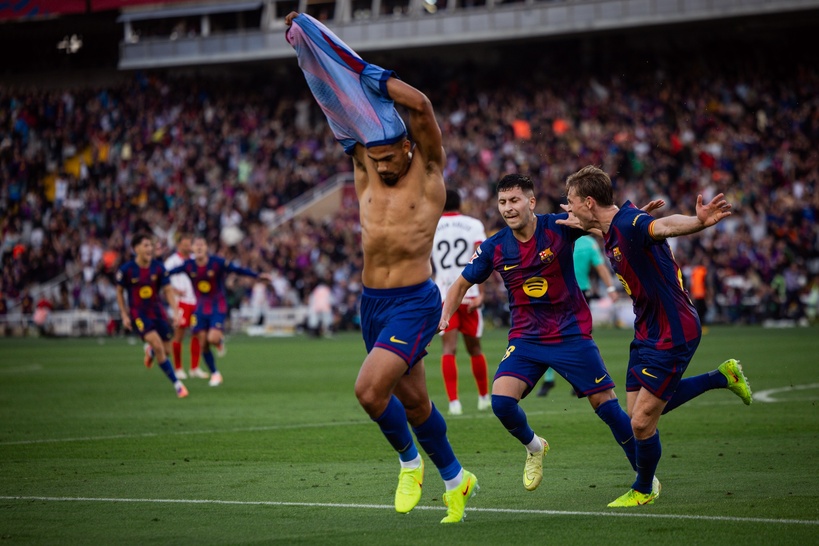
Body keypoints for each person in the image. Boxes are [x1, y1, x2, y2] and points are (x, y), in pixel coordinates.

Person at [286, 11, 478, 524]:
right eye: (375, 157)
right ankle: (458, 479)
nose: (382, 164)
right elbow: (333, 96)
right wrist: (310, 39)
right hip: (372, 304)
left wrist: (372, 74)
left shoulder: (431, 174)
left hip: (415, 302)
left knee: (370, 392)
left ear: (410, 147)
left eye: (391, 156)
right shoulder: (364, 169)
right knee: (415, 404)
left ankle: (410, 463)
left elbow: (422, 106)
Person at [561, 165, 753, 507]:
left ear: (589, 201)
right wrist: (583, 222)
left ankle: (644, 488)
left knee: (640, 423)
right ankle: (721, 377)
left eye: (571, 201)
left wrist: (698, 222)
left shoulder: (630, 224)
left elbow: (663, 225)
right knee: (639, 411)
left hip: (673, 330)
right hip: (647, 328)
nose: (568, 207)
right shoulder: (615, 226)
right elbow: (639, 227)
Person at [440, 173, 642, 497]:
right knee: (502, 403)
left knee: (607, 407)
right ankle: (535, 447)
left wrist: (637, 225)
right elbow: (460, 284)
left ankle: (645, 478)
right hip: (526, 339)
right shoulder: (494, 247)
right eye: (503, 202)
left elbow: (605, 223)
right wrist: (445, 315)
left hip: (571, 334)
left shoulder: (558, 226)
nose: (508, 208)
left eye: (515, 200)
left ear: (531, 202)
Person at [167, 236, 270, 387]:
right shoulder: (188, 265)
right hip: (200, 306)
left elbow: (238, 269)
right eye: (196, 245)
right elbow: (167, 273)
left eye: (202, 244)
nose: (200, 247)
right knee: (203, 343)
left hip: (217, 304)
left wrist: (258, 276)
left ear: (207, 247)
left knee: (212, 338)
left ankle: (219, 341)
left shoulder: (217, 262)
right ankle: (215, 373)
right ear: (192, 249)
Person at [431, 189, 490, 415]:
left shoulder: (432, 225)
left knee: (449, 348)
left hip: (445, 294)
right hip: (470, 292)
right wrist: (482, 293)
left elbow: (426, 261)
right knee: (475, 348)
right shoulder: (473, 224)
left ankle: (454, 402)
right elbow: (482, 258)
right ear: (460, 204)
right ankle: (483, 397)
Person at [537, 233, 619, 397]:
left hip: (562, 293)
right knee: (579, 337)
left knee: (552, 334)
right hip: (575, 293)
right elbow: (600, 266)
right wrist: (610, 289)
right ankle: (578, 381)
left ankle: (551, 379)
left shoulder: (555, 238)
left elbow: (540, 265)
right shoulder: (587, 242)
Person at [115, 232, 188, 398]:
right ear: (136, 249)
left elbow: (168, 291)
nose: (150, 249)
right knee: (156, 342)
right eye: (146, 245)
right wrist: (125, 315)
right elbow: (119, 292)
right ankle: (178, 385)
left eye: (151, 246)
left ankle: (151, 352)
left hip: (157, 312)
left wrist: (176, 313)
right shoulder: (127, 270)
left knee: (166, 350)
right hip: (138, 313)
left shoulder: (158, 267)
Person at [163, 233, 206, 379]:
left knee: (197, 333)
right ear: (179, 245)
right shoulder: (172, 261)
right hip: (180, 302)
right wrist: (174, 290)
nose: (188, 247)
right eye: (186, 245)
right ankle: (178, 368)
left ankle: (194, 368)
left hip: (195, 301)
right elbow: (162, 279)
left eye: (190, 244)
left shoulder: (195, 260)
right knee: (179, 334)